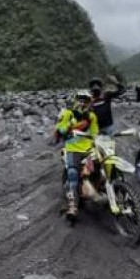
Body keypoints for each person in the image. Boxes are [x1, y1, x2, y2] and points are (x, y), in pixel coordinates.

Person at [53, 90, 99, 218]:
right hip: (73, 147)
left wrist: (97, 142)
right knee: (73, 173)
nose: (82, 102)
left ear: (89, 102)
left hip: (89, 148)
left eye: (85, 99)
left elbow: (95, 133)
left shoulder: (92, 116)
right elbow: (60, 130)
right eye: (80, 99)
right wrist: (70, 124)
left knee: (102, 166)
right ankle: (72, 205)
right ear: (76, 100)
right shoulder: (68, 114)